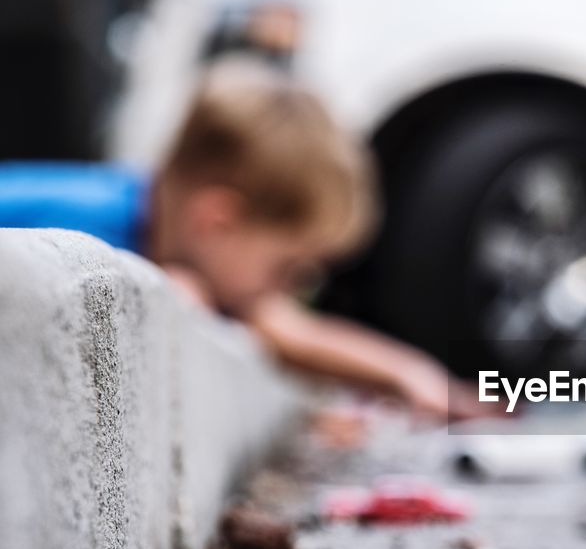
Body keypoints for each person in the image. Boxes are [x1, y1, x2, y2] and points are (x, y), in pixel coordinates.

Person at [0, 61, 486, 419]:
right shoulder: (79, 231)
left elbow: (289, 332)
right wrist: (170, 297)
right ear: (218, 221)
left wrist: (414, 376)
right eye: (288, 268)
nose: (294, 290)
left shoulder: (189, 244)